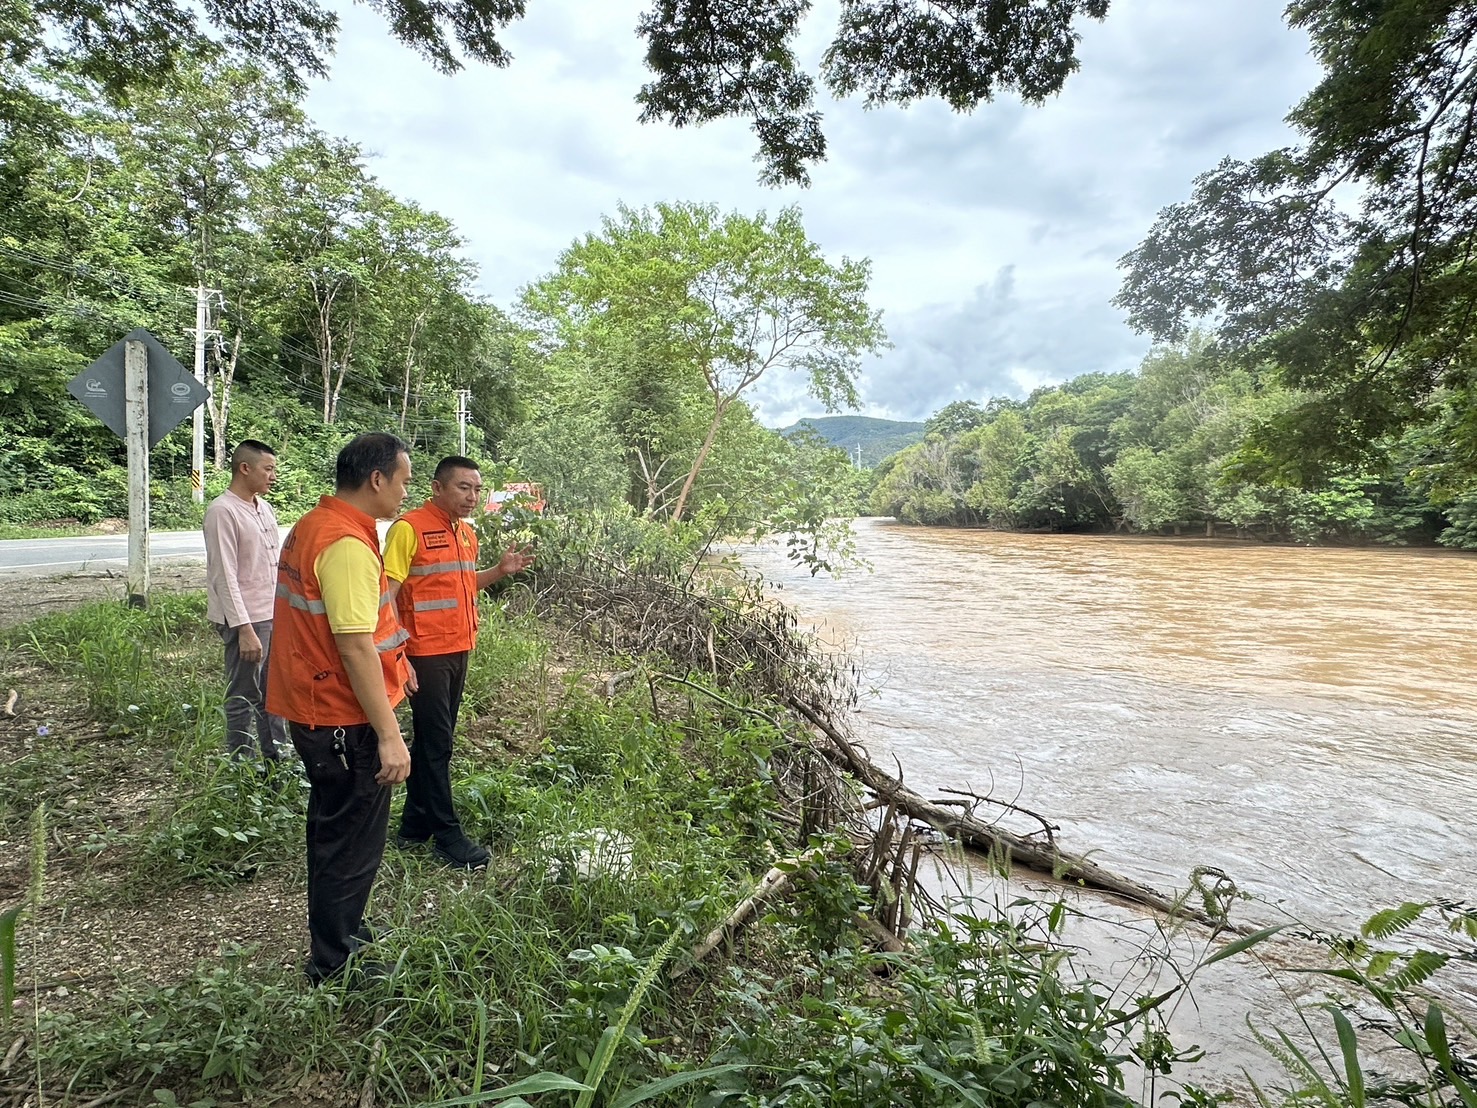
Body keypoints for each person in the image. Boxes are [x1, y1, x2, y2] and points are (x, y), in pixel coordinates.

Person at [265, 432, 416, 985]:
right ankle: (335, 962)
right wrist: (390, 734)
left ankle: (341, 929)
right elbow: (354, 645)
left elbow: (364, 631)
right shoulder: (347, 545)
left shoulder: (313, 525)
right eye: (402, 480)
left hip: (314, 707)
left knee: (336, 830)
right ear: (376, 479)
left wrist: (401, 663)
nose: (404, 492)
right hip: (341, 716)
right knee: (350, 840)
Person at [383, 455, 533, 869]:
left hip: (457, 649)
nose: (472, 496)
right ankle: (447, 834)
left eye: (477, 489)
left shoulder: (465, 534)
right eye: (463, 487)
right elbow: (387, 596)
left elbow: (464, 584)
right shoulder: (408, 529)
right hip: (423, 654)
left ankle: (413, 826)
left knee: (435, 741)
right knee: (437, 744)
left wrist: (500, 571)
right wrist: (398, 653)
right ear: (437, 488)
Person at [203, 439, 287, 764]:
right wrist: (244, 629)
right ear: (245, 468)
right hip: (246, 620)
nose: (273, 476)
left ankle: (276, 761)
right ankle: (241, 767)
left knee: (274, 694)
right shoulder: (222, 511)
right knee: (243, 695)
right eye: (268, 469)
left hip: (271, 613)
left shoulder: (263, 507)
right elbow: (225, 575)